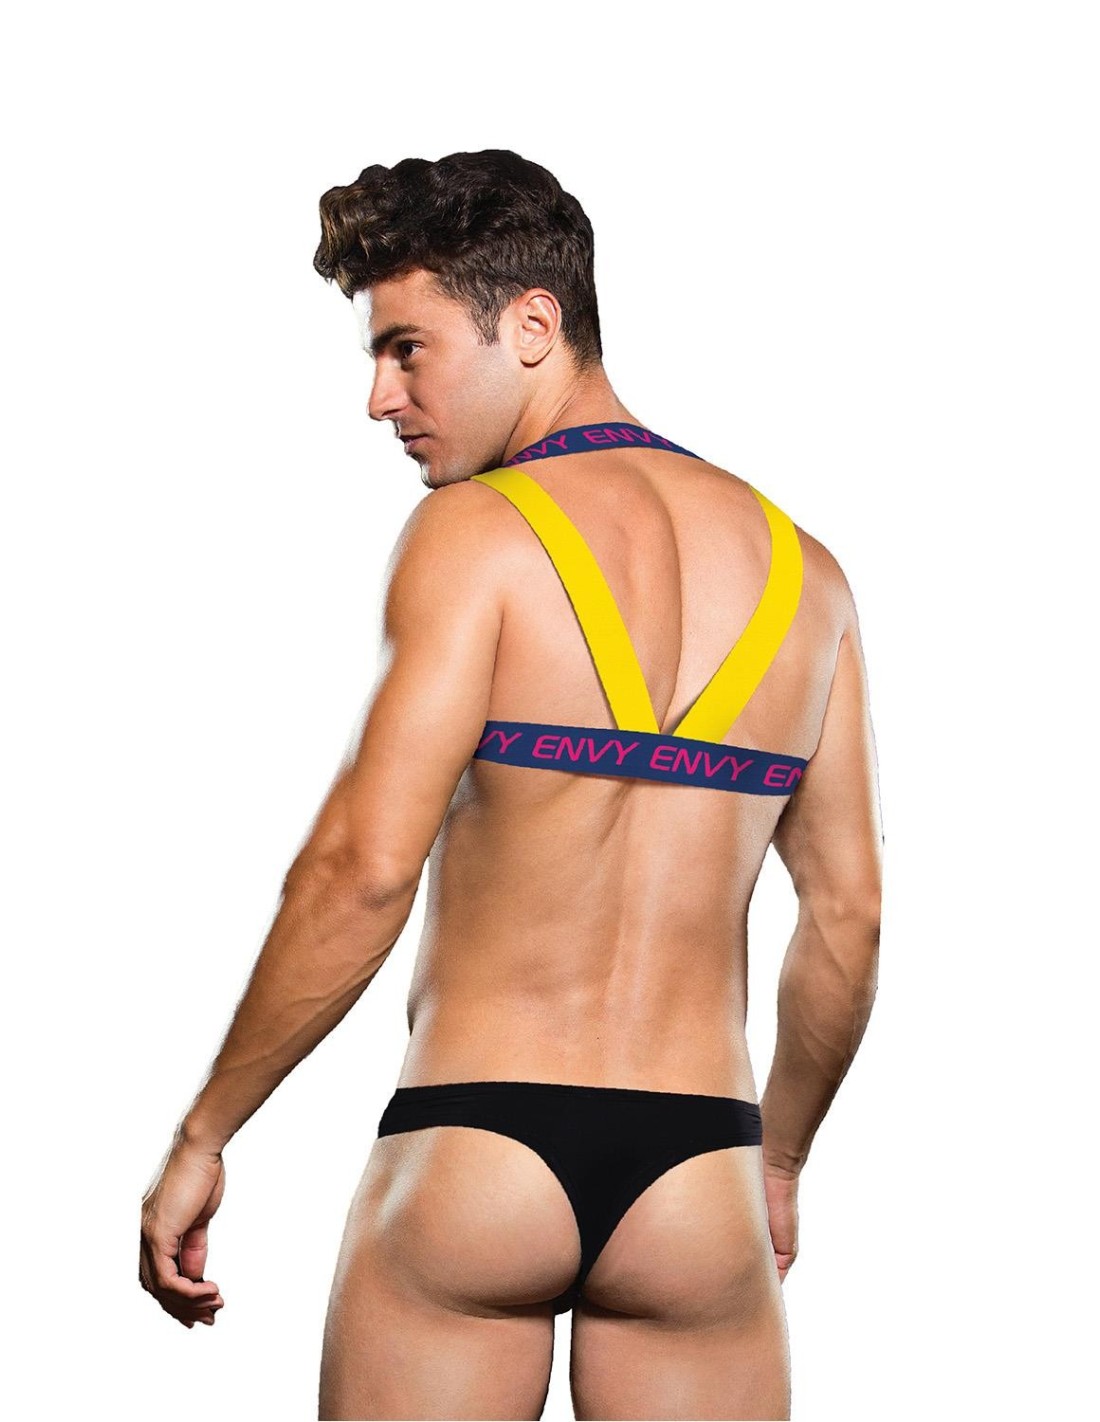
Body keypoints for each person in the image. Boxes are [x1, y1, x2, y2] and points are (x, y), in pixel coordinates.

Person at [139, 149, 882, 1421]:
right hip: (699, 1174)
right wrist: (780, 1160)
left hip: (475, 1147)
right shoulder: (806, 574)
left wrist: (205, 1131)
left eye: (406, 349)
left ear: (532, 326)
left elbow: (360, 872)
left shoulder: (475, 534)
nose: (379, 397)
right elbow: (848, 917)